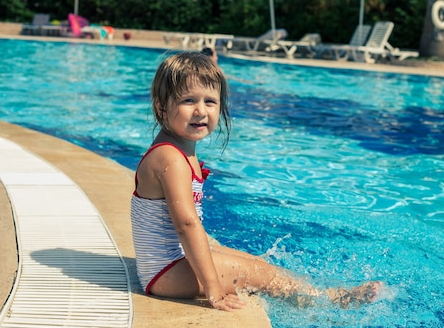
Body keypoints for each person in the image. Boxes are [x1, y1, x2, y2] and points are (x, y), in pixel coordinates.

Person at [131, 51, 383, 311]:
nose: (200, 111)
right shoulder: (170, 158)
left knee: (257, 264)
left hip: (170, 265)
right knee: (261, 276)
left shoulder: (176, 149)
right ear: (162, 106)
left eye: (210, 101)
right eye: (188, 100)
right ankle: (330, 300)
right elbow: (186, 224)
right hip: (165, 273)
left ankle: (321, 293)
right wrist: (212, 288)